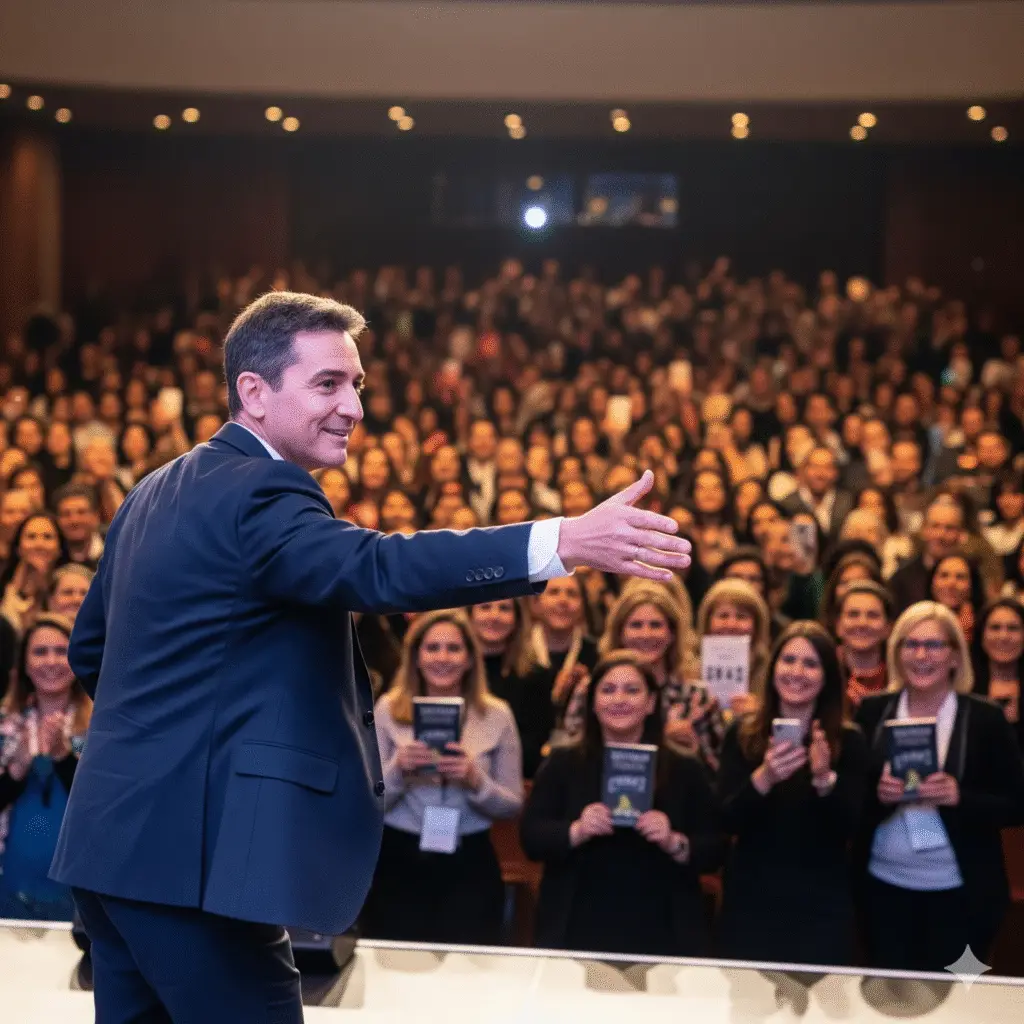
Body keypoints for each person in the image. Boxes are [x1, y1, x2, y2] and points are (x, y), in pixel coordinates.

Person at [49, 291, 692, 1024]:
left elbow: (92, 650)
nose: (353, 406)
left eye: (357, 384)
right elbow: (379, 568)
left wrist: (180, 739)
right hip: (196, 863)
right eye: (328, 383)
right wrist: (560, 544)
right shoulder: (262, 490)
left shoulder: (153, 490)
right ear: (252, 393)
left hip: (111, 849)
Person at [855, 602, 1024, 972]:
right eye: (910, 644)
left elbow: (1017, 803)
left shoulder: (985, 718)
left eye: (933, 645)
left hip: (962, 896)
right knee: (892, 1000)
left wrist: (959, 797)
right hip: (884, 889)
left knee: (959, 1000)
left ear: (954, 655)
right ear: (896, 653)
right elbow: (850, 803)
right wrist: (880, 798)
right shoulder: (872, 712)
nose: (921, 656)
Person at [520, 651, 722, 957]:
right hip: (577, 922)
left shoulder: (684, 767)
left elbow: (715, 847)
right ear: (593, 702)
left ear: (651, 702)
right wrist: (575, 830)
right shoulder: (563, 762)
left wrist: (675, 842)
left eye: (632, 690)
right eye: (608, 690)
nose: (619, 700)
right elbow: (531, 838)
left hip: (662, 925)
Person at [359, 610, 523, 945]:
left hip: (470, 863)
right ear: (416, 657)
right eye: (432, 648)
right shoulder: (389, 709)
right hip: (400, 861)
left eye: (454, 649)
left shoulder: (496, 714)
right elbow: (367, 803)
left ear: (469, 659)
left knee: (469, 974)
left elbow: (512, 805)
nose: (442, 658)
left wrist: (476, 780)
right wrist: (398, 771)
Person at [716, 622, 867, 965]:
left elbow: (853, 828)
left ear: (827, 676)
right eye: (788, 661)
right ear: (772, 670)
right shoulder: (743, 734)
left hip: (821, 903)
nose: (797, 672)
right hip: (751, 900)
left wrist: (825, 779)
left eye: (811, 664)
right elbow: (726, 820)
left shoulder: (849, 740)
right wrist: (764, 778)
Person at [0, 614, 89, 920]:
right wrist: (17, 766)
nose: (51, 661)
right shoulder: (4, 728)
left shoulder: (103, 728)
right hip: (11, 881)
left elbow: (102, 806)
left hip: (81, 888)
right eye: (39, 652)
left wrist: (64, 757)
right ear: (23, 664)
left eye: (62, 651)